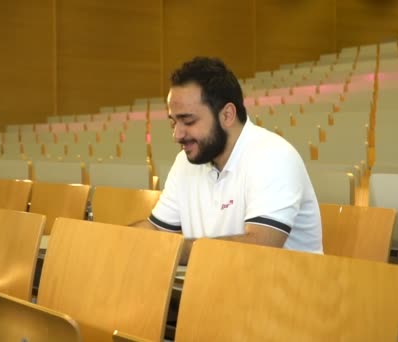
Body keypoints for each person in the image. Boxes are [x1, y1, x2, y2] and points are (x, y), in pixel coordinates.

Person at [134, 56, 322, 264]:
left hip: (285, 291)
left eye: (188, 121)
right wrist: (112, 239)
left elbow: (259, 248)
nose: (177, 135)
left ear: (227, 115)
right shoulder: (185, 162)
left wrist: (169, 247)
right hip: (218, 285)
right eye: (173, 123)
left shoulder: (274, 156)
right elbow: (155, 229)